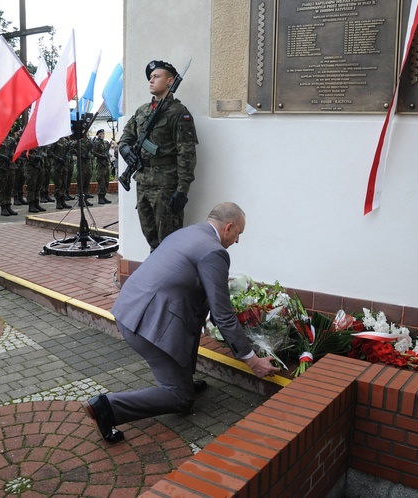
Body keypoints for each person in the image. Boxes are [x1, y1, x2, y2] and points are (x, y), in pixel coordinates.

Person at [83, 202, 279, 443]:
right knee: (181, 399)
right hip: (149, 325)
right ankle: (108, 407)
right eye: (239, 233)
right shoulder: (215, 252)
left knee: (190, 321)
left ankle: (181, 380)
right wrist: (253, 361)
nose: (237, 240)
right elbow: (223, 315)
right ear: (228, 227)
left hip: (131, 307)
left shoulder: (188, 232)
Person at [119, 60, 198, 251]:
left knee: (169, 242)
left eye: (156, 76)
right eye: (150, 77)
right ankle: (157, 275)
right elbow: (125, 138)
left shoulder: (179, 113)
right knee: (151, 237)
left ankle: (170, 278)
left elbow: (186, 154)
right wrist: (126, 151)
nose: (151, 80)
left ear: (170, 81)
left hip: (166, 186)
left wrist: (182, 191)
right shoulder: (143, 111)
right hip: (143, 184)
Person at [93, 129, 112, 204]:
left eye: (103, 134)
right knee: (101, 181)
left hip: (106, 164)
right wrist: (102, 156)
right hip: (100, 164)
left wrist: (107, 156)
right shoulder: (96, 143)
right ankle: (100, 197)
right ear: (98, 135)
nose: (102, 135)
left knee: (106, 181)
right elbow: (94, 152)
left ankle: (104, 196)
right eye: (100, 134)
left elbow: (107, 151)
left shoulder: (106, 142)